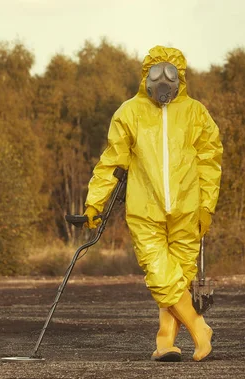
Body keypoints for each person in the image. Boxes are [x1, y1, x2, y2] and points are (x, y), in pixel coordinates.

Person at [83, 45, 223, 362]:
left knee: (176, 276)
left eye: (170, 73)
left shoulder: (195, 113)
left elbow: (210, 162)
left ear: (180, 77)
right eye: (156, 73)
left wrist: (206, 206)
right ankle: (200, 329)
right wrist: (95, 201)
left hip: (188, 209)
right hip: (145, 210)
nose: (163, 80)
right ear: (145, 75)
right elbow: (111, 161)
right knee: (161, 275)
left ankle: (165, 342)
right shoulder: (129, 113)